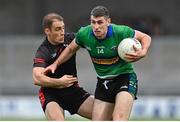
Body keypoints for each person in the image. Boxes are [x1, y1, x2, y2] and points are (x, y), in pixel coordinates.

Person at [45, 6, 151, 121]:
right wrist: (55, 64)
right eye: (93, 22)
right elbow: (70, 49)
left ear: (108, 22)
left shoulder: (120, 31)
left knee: (119, 118)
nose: (96, 26)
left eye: (100, 22)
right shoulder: (84, 34)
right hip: (103, 82)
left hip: (124, 77)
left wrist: (143, 51)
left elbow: (145, 37)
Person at [32, 13, 94, 121]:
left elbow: (91, 36)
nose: (62, 32)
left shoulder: (70, 39)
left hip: (73, 91)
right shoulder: (43, 51)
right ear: (47, 31)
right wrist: (60, 82)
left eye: (63, 28)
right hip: (51, 95)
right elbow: (37, 78)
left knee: (105, 116)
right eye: (57, 29)